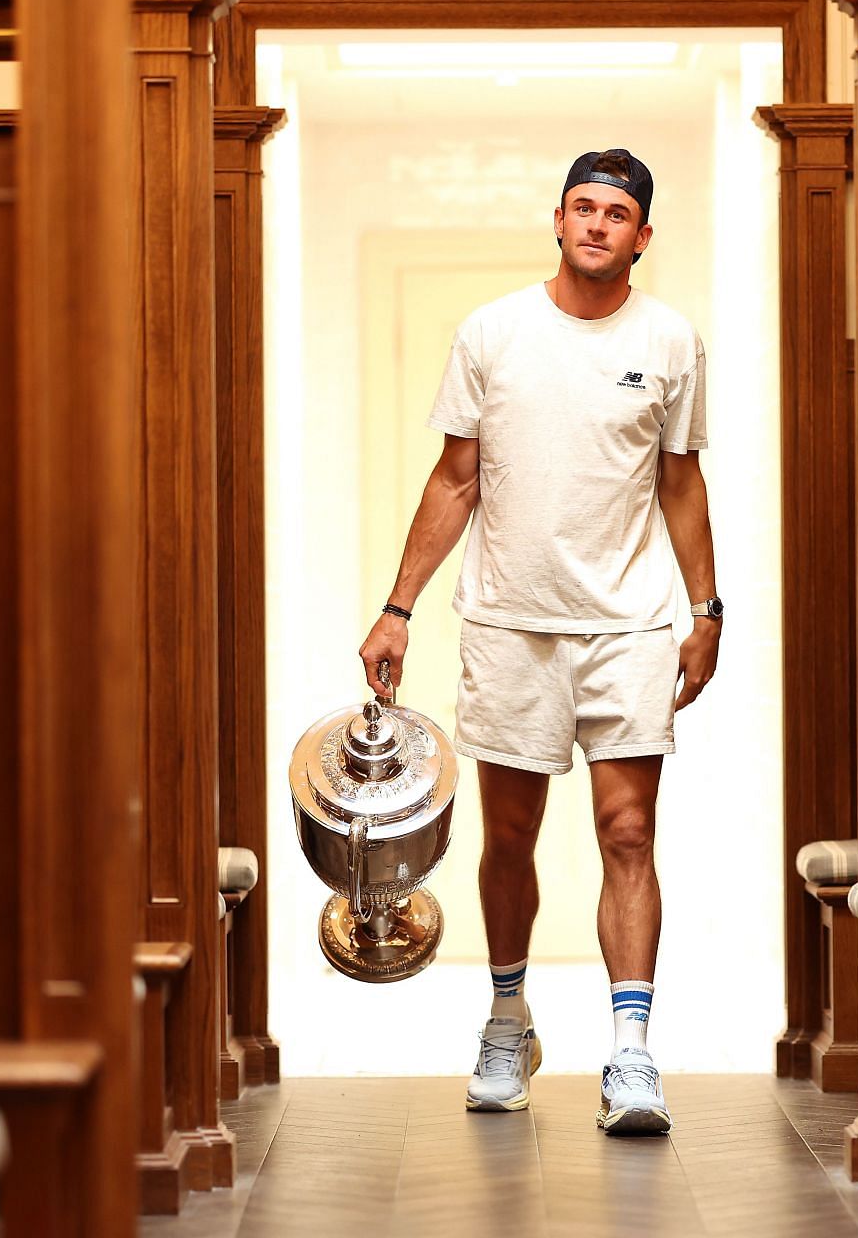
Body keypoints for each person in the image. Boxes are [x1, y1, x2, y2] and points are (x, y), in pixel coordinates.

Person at [356, 148, 722, 1136]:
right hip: (511, 623)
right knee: (508, 837)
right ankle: (509, 1018)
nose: (598, 224)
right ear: (558, 221)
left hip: (630, 623)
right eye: (584, 208)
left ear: (642, 236)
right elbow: (454, 479)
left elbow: (680, 481)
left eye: (618, 214)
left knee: (628, 832)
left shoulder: (672, 341)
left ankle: (633, 1052)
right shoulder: (495, 332)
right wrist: (399, 606)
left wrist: (707, 609)